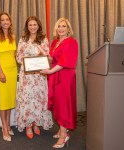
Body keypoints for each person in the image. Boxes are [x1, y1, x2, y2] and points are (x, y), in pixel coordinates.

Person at [40, 18, 78, 148]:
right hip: (55, 75)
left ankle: (64, 136)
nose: (61, 29)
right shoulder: (55, 42)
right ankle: (62, 129)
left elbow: (64, 62)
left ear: (68, 29)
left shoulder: (71, 42)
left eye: (64, 26)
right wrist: (45, 57)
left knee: (63, 105)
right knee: (57, 103)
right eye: (59, 26)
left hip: (65, 77)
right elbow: (53, 58)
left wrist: (50, 71)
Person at [14, 16, 53, 139]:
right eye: (30, 25)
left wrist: (47, 58)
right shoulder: (23, 39)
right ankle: (28, 125)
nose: (32, 27)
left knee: (38, 99)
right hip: (27, 76)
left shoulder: (44, 39)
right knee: (27, 99)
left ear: (38, 25)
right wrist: (26, 61)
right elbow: (18, 56)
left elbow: (47, 55)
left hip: (40, 75)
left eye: (34, 24)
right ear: (27, 26)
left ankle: (36, 123)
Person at [0, 12, 17, 142]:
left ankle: (8, 124)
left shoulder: (13, 36)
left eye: (7, 19)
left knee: (9, 100)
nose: (5, 22)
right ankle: (4, 128)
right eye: (3, 20)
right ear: (0, 23)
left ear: (10, 22)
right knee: (3, 100)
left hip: (13, 71)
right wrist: (1, 72)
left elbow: (14, 55)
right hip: (2, 71)